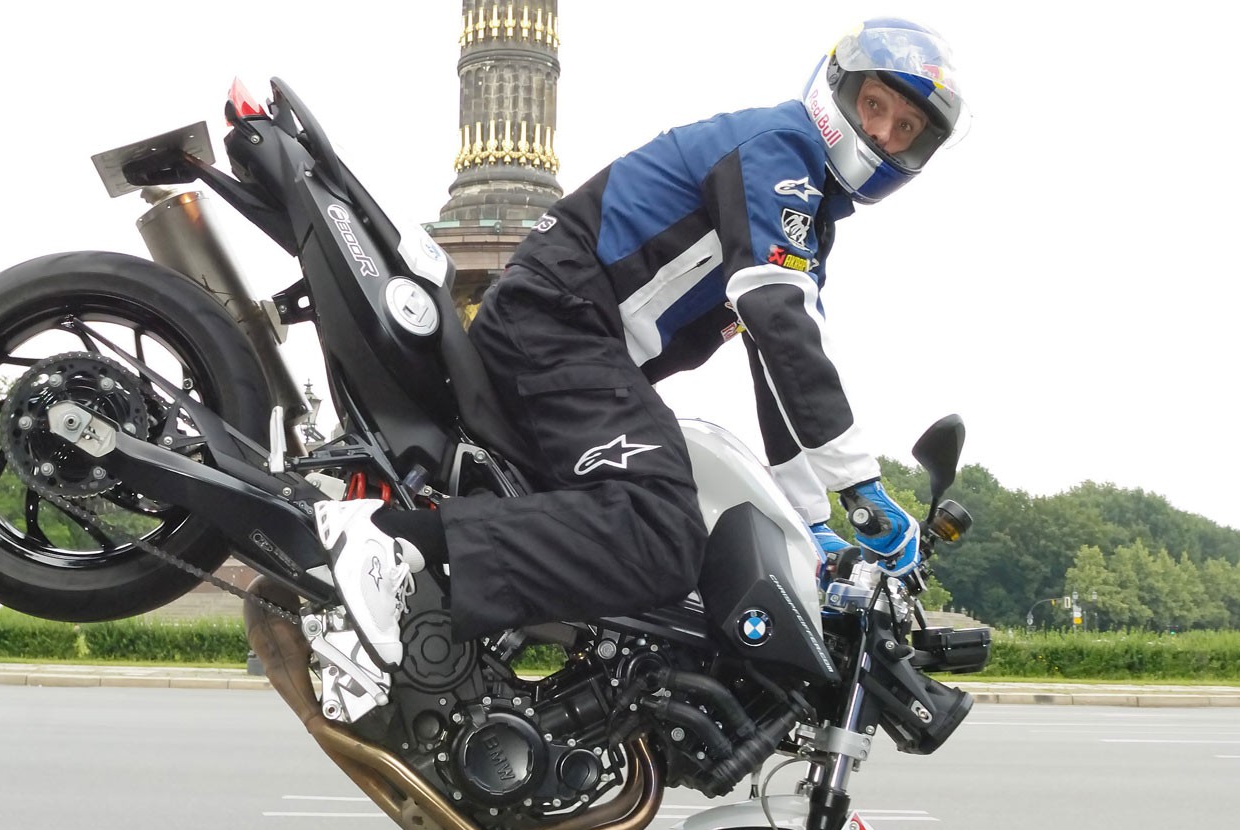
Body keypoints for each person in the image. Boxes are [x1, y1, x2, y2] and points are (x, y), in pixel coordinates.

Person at [314, 18, 968, 670]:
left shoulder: (809, 213)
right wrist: (860, 487)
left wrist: (810, 519)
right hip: (557, 323)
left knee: (628, 530)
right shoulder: (781, 151)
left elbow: (776, 364)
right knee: (663, 526)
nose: (882, 133)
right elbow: (781, 321)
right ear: (840, 87)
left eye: (905, 128)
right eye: (875, 105)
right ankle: (390, 542)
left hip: (567, 337)